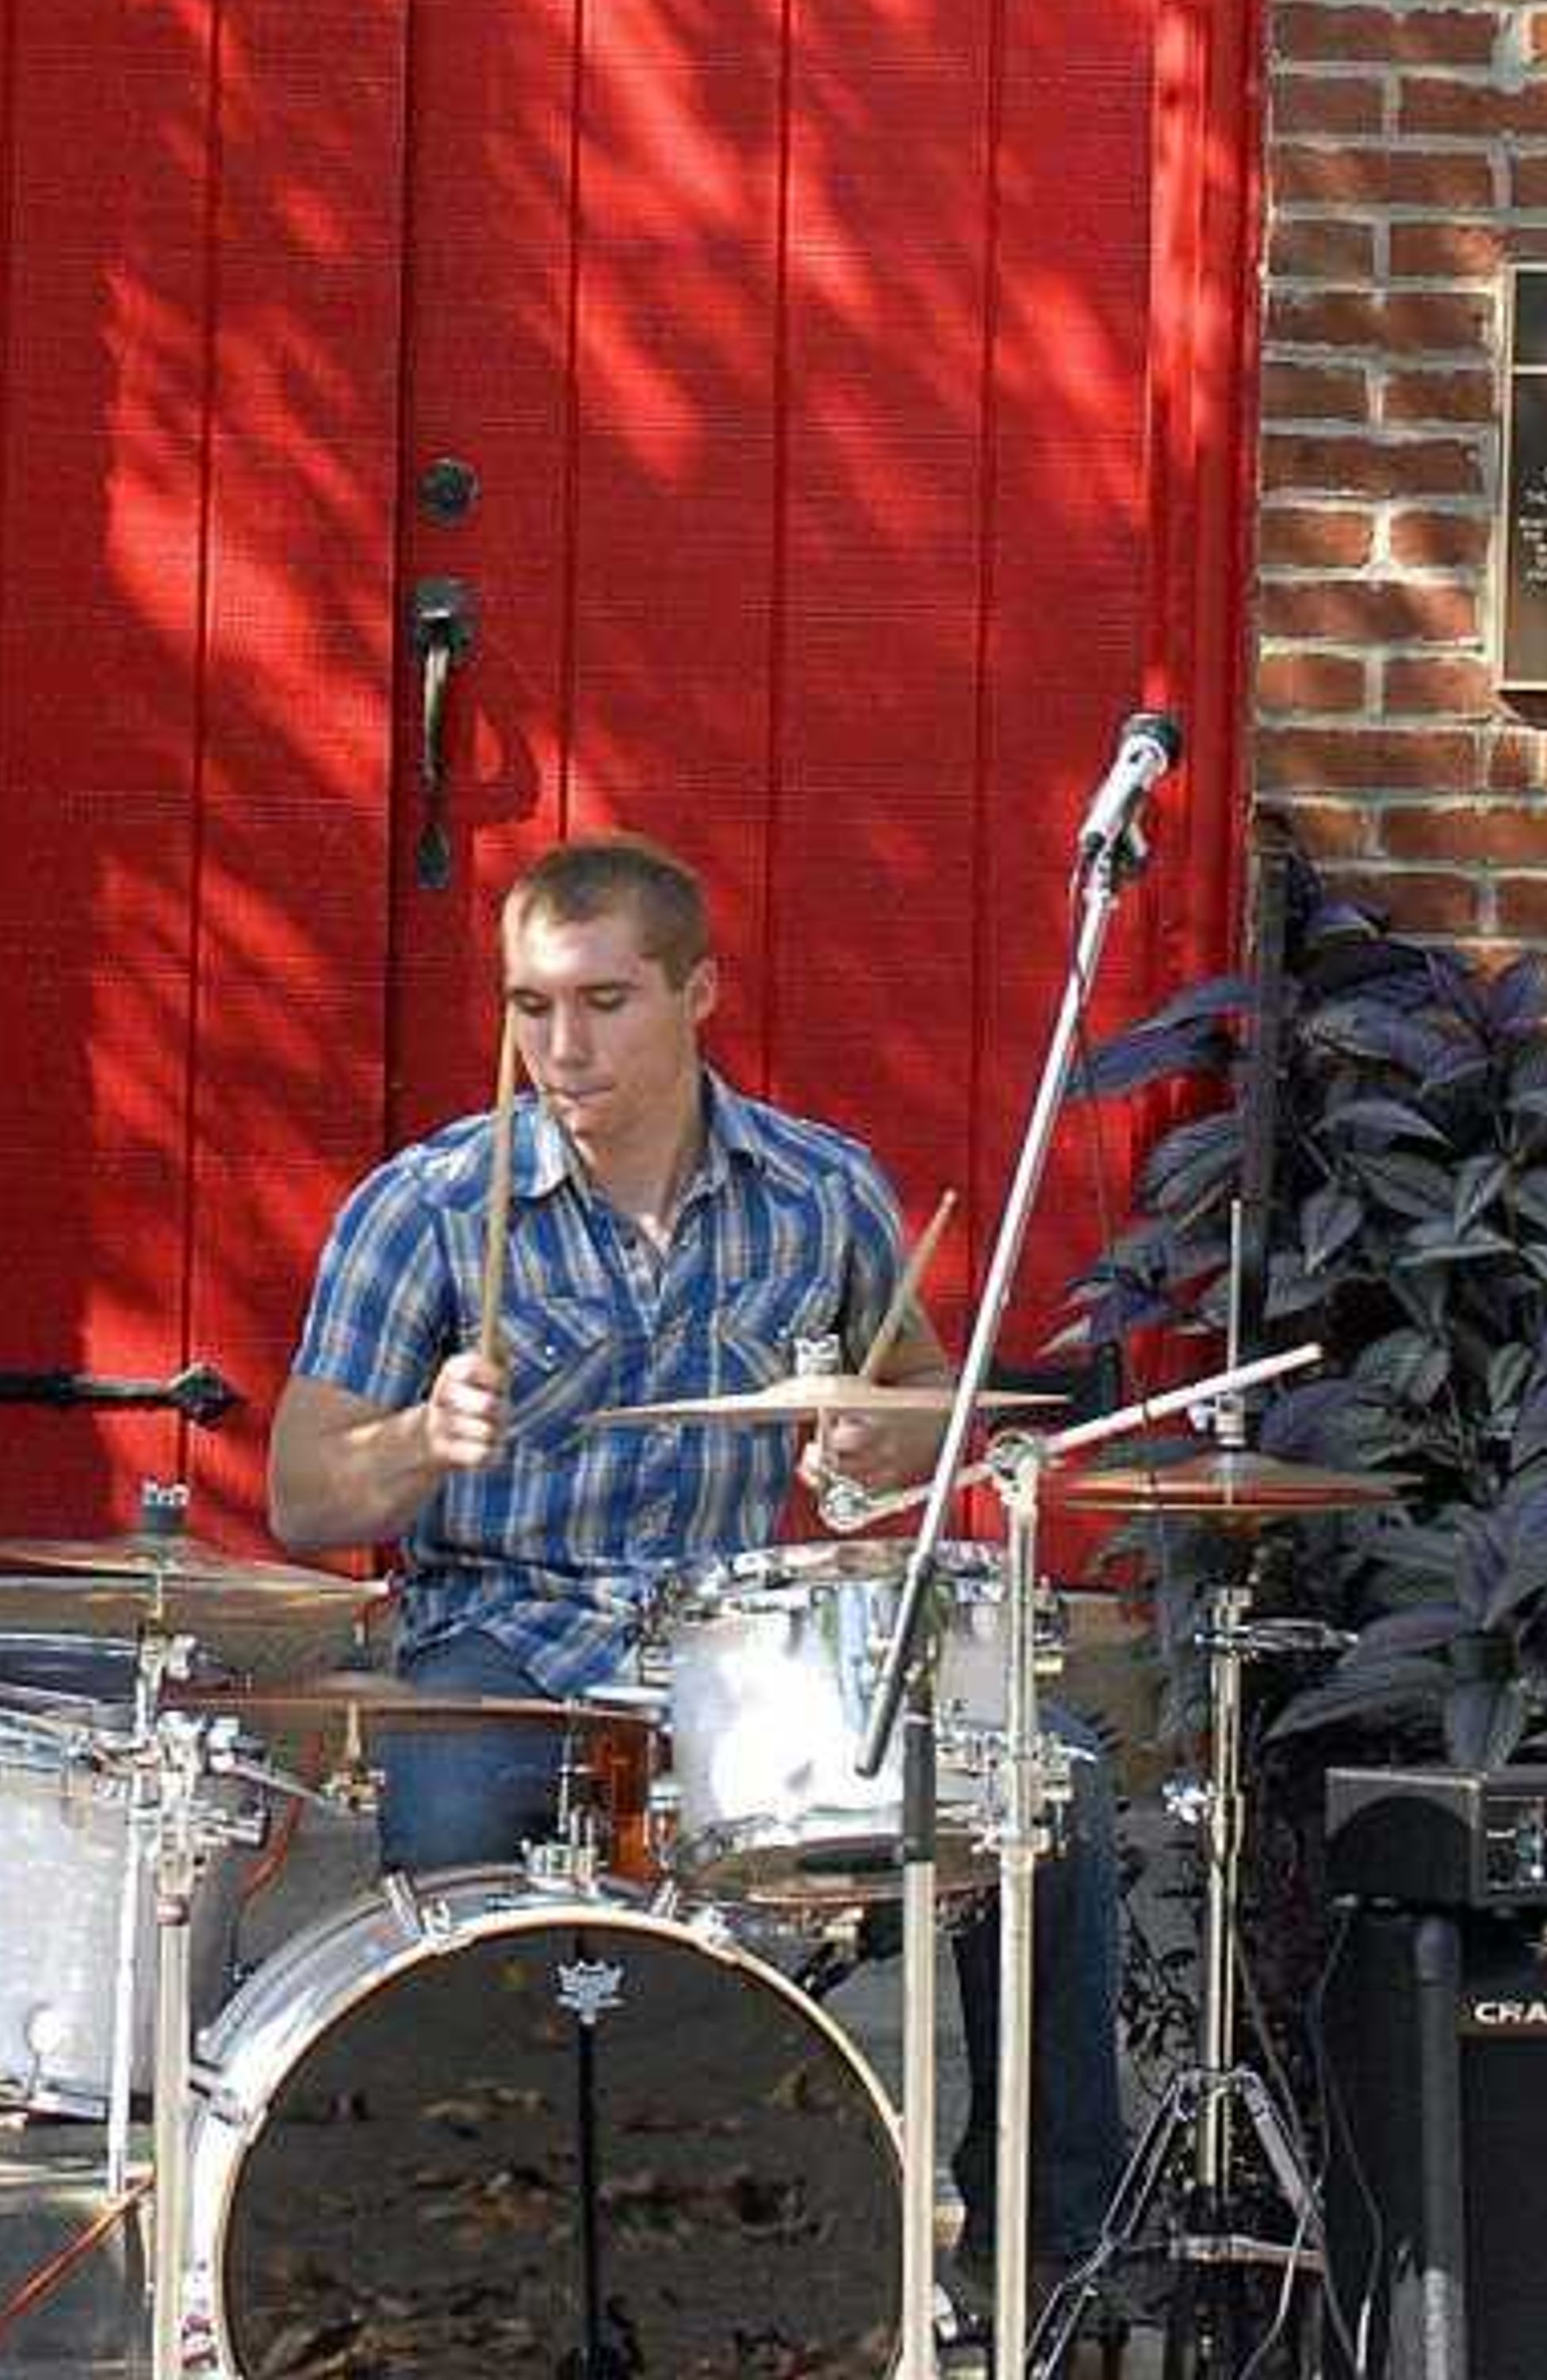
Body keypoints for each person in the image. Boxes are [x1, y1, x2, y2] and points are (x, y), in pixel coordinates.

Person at [265, 829, 1128, 2316]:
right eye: (530, 1008)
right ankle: (468, 2246)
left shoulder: (820, 1191)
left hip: (739, 1656)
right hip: (508, 1636)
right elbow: (297, 1488)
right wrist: (417, 1438)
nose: (559, 1044)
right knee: (452, 1809)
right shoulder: (425, 1205)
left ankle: (1050, 2241)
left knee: (1053, 1782)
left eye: (603, 1003)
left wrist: (887, 1437)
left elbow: (924, 1396)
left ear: (698, 993)